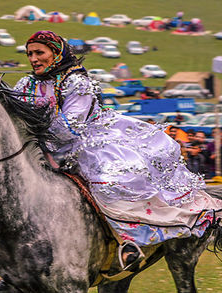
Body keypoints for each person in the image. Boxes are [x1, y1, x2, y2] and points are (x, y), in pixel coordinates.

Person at [14, 31, 222, 270]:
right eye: (29, 53)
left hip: (85, 143)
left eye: (39, 52)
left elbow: (70, 126)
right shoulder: (26, 84)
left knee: (110, 180)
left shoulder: (76, 82)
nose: (33, 58)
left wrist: (35, 129)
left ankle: (127, 241)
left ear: (56, 52)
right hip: (39, 146)